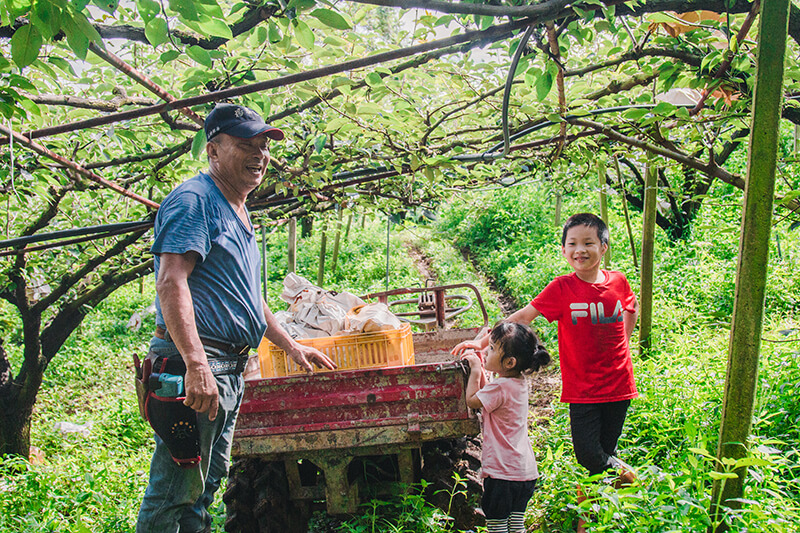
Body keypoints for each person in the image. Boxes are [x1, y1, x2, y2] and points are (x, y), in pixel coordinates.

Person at [137, 103, 336, 533]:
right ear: (213, 150)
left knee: (204, 487)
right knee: (175, 492)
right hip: (199, 362)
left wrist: (290, 344)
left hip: (227, 366)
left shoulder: (237, 209)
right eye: (246, 145)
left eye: (263, 146)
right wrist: (195, 365)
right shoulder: (195, 201)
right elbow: (172, 283)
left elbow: (248, 296)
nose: (260, 155)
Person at [453, 213, 639, 532]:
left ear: (604, 247)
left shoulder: (618, 281)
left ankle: (588, 522)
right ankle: (626, 473)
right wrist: (482, 339)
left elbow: (630, 311)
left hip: (619, 385)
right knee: (588, 454)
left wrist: (622, 346)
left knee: (601, 456)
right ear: (564, 250)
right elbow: (524, 316)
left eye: (588, 243)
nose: (580, 250)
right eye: (572, 244)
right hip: (582, 390)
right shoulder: (562, 288)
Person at [461, 321, 550, 533]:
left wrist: (475, 369)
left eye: (491, 349)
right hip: (524, 473)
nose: (485, 351)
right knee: (515, 525)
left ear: (509, 362)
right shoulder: (517, 382)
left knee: (497, 526)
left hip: (503, 474)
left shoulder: (500, 387)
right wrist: (483, 368)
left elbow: (473, 400)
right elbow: (489, 393)